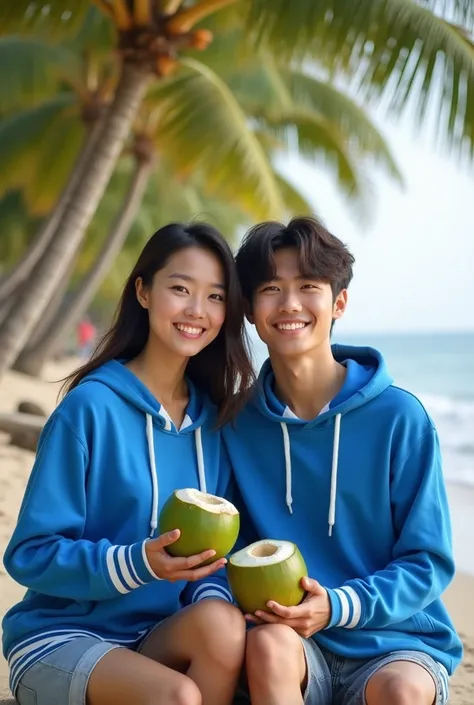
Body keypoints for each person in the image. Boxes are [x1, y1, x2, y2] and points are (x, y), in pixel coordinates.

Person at [2, 222, 255, 705]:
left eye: (216, 297)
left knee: (223, 626)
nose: (196, 311)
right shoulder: (89, 408)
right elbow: (29, 554)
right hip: (65, 635)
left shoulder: (214, 423)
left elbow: (218, 563)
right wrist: (139, 563)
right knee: (179, 695)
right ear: (142, 291)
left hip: (154, 636)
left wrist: (206, 587)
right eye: (180, 289)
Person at [223, 216, 463, 705]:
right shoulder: (235, 423)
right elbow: (233, 545)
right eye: (271, 288)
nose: (289, 304)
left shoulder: (400, 417)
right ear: (250, 310)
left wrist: (337, 606)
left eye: (308, 286)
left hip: (395, 642)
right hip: (288, 640)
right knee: (268, 648)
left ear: (339, 303)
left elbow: (428, 561)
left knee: (401, 692)